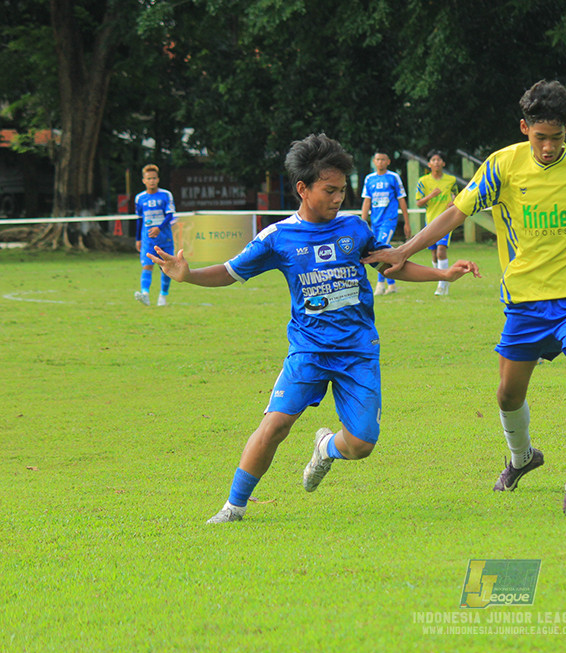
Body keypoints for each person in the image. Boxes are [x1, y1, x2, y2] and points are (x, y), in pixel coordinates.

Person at [147, 134, 479, 524]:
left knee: (361, 444)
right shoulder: (278, 237)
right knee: (275, 425)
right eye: (329, 191)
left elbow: (391, 265)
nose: (338, 198)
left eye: (342, 190)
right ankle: (233, 507)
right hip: (309, 349)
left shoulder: (355, 229)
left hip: (358, 350)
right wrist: (188, 276)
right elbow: (229, 272)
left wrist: (443, 274)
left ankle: (325, 448)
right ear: (303, 189)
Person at [365, 80, 566, 516]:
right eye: (540, 137)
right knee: (507, 396)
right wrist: (404, 250)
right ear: (525, 128)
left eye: (556, 137)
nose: (548, 147)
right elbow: (456, 211)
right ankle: (522, 458)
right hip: (523, 306)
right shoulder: (502, 166)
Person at [361, 152, 411, 295]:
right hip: (375, 221)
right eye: (378, 159)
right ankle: (392, 285)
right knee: (380, 250)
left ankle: (380, 284)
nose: (380, 162)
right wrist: (363, 222)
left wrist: (406, 222)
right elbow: (367, 201)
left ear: (388, 161)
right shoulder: (369, 179)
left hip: (389, 220)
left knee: (380, 251)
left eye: (383, 159)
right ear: (374, 161)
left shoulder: (393, 177)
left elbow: (401, 199)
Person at [415, 149, 459, 296]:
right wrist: (431, 195)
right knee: (434, 254)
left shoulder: (451, 180)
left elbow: (457, 196)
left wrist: (453, 202)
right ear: (429, 164)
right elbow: (418, 203)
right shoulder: (423, 181)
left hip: (446, 220)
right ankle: (442, 280)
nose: (436, 162)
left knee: (441, 250)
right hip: (431, 221)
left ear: (443, 163)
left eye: (439, 160)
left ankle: (442, 285)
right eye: (433, 160)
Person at [134, 164, 179, 306]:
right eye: (149, 178)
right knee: (147, 266)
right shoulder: (139, 198)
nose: (152, 181)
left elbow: (170, 215)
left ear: (158, 179)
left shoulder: (166, 195)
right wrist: (138, 239)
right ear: (144, 180)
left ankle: (163, 296)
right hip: (148, 240)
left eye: (154, 178)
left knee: (166, 268)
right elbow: (139, 219)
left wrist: (159, 228)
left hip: (165, 239)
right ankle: (145, 295)